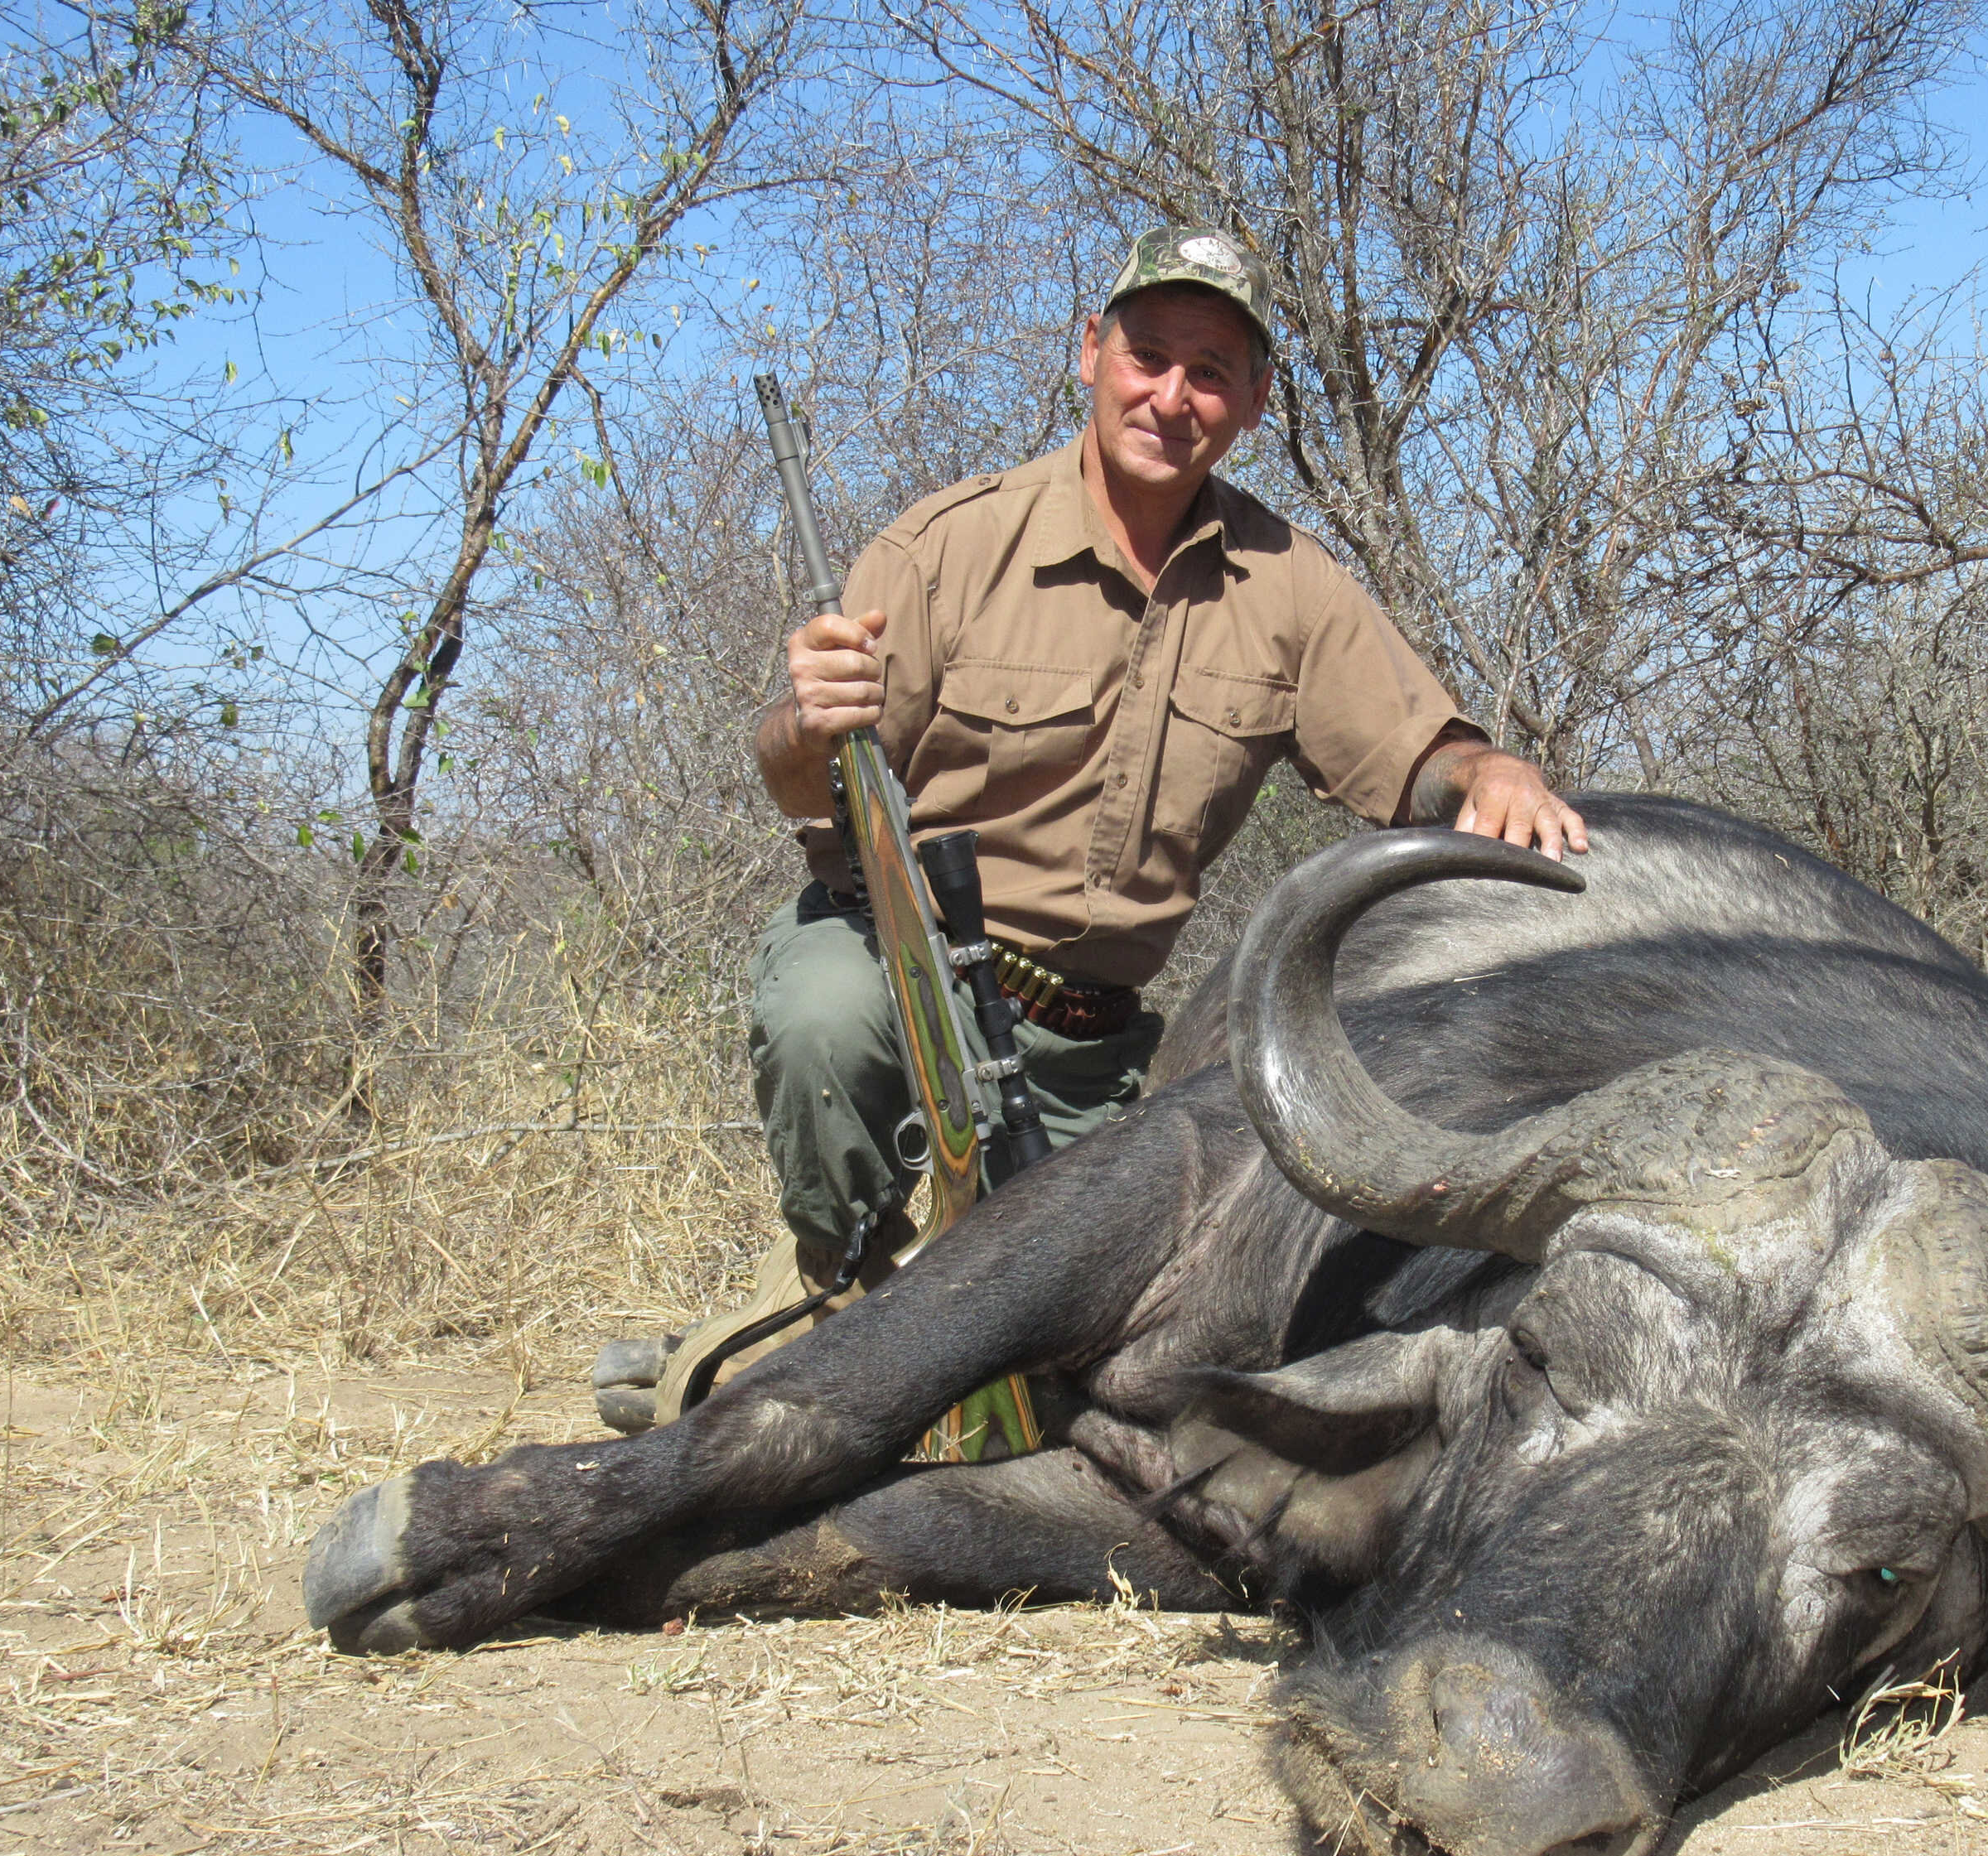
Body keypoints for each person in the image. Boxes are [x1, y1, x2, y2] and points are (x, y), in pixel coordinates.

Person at [591, 225, 1584, 1439]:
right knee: (820, 1017)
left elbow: (1417, 754)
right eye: (1147, 355)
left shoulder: (1290, 585)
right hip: (899, 977)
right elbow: (804, 781)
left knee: (1141, 1341)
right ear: (1089, 355)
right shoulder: (947, 546)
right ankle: (831, 1303)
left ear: (1256, 399)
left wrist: (1490, 773)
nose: (1172, 397)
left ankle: (765, 1358)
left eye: (1211, 370)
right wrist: (802, 722)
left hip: (1087, 1044)